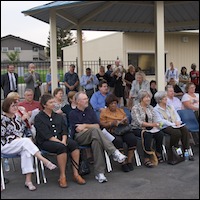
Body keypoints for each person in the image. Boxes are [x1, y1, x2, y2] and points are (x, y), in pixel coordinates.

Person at [69, 91, 127, 183]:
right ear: (78, 102)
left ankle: (99, 173)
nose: (87, 100)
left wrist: (85, 125)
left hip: (93, 135)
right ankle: (114, 151)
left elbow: (97, 126)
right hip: (79, 137)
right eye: (84, 99)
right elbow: (78, 129)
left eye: (87, 98)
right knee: (95, 131)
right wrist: (89, 127)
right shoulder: (73, 113)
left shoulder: (90, 111)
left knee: (96, 141)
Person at [1, 97, 57, 191]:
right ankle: (44, 160)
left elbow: (26, 129)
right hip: (5, 145)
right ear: (6, 107)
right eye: (13, 106)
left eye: (16, 105)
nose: (15, 108)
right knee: (25, 142)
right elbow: (2, 136)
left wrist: (29, 136)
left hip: (20, 144)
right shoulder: (2, 119)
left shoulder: (17, 118)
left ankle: (28, 181)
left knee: (26, 150)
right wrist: (16, 138)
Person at [34, 93, 86, 188]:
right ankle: (62, 176)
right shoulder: (38, 118)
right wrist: (61, 142)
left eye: (54, 102)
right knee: (61, 147)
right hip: (46, 142)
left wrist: (64, 139)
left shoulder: (58, 116)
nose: (53, 104)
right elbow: (46, 135)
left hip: (60, 139)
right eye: (51, 102)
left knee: (74, 144)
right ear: (44, 105)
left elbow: (64, 130)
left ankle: (76, 173)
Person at [100, 94, 137, 172]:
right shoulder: (104, 112)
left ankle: (129, 161)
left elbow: (126, 119)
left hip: (123, 129)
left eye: (115, 103)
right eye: (111, 104)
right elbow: (102, 124)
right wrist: (112, 123)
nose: (114, 105)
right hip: (112, 130)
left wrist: (124, 121)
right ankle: (123, 163)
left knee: (132, 139)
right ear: (108, 104)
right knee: (118, 141)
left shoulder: (120, 110)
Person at [153, 91, 194, 162]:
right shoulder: (156, 109)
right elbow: (160, 121)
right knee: (176, 133)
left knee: (185, 129)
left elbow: (176, 115)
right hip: (165, 126)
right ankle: (173, 149)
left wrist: (178, 122)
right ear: (159, 100)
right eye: (164, 98)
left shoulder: (170, 106)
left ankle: (186, 150)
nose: (166, 98)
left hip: (175, 124)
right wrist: (173, 124)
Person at [131, 89, 164, 167]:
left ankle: (158, 153)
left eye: (149, 97)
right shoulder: (135, 108)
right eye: (146, 97)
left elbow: (155, 118)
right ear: (141, 98)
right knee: (147, 135)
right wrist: (153, 125)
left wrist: (158, 124)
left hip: (150, 127)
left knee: (160, 134)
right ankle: (147, 157)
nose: (148, 99)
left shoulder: (150, 107)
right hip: (137, 128)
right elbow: (139, 122)